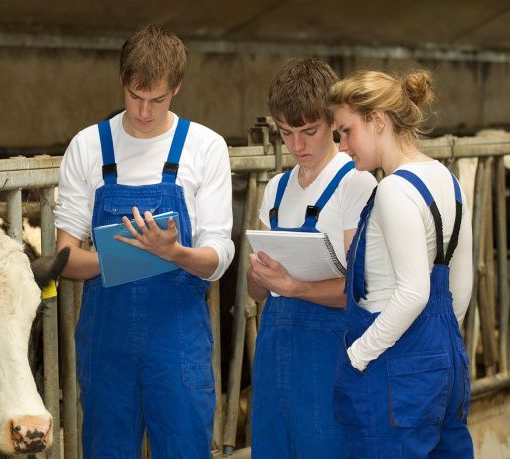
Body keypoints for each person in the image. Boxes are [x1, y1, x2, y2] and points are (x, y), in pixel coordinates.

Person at [54, 24, 234, 458]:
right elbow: (64, 255)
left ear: (177, 87)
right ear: (122, 82)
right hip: (107, 345)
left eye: (158, 99)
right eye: (136, 97)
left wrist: (173, 253)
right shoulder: (88, 146)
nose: (145, 112)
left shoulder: (205, 147)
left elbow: (219, 257)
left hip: (176, 341)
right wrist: (120, 256)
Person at [329, 69, 473, 457]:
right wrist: (433, 347)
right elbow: (460, 285)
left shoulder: (393, 188)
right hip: (446, 360)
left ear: (377, 120)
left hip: (391, 367)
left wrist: (359, 354)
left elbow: (412, 293)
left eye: (346, 131)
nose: (342, 146)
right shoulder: (447, 179)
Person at [247, 58, 377, 458]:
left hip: (331, 359)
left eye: (309, 131)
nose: (297, 146)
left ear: (334, 123)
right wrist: (260, 275)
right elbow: (256, 294)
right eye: (286, 133)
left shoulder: (357, 183)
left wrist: (293, 285)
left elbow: (362, 290)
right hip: (273, 356)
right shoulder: (275, 190)